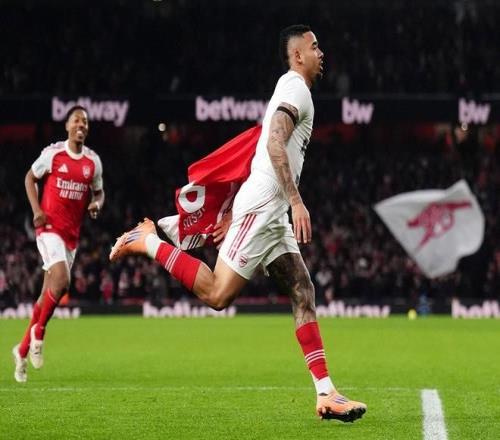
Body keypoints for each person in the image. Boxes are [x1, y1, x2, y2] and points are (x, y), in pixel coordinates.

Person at [110, 25, 366, 421]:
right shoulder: (296, 88)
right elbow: (274, 142)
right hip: (265, 205)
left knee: (302, 289)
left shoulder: (293, 89)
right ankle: (148, 241)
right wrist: (296, 201)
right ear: (297, 55)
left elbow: (263, 146)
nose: (321, 53)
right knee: (218, 294)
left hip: (270, 210)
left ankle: (325, 393)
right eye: (314, 47)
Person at [12, 106, 104, 383]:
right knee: (62, 281)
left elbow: (99, 192)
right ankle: (39, 333)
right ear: (67, 126)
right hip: (48, 227)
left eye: (85, 121)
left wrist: (96, 204)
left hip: (71, 236)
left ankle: (21, 350)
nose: (81, 125)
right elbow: (29, 178)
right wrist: (36, 210)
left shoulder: (93, 162)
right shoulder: (53, 154)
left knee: (47, 295)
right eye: (76, 120)